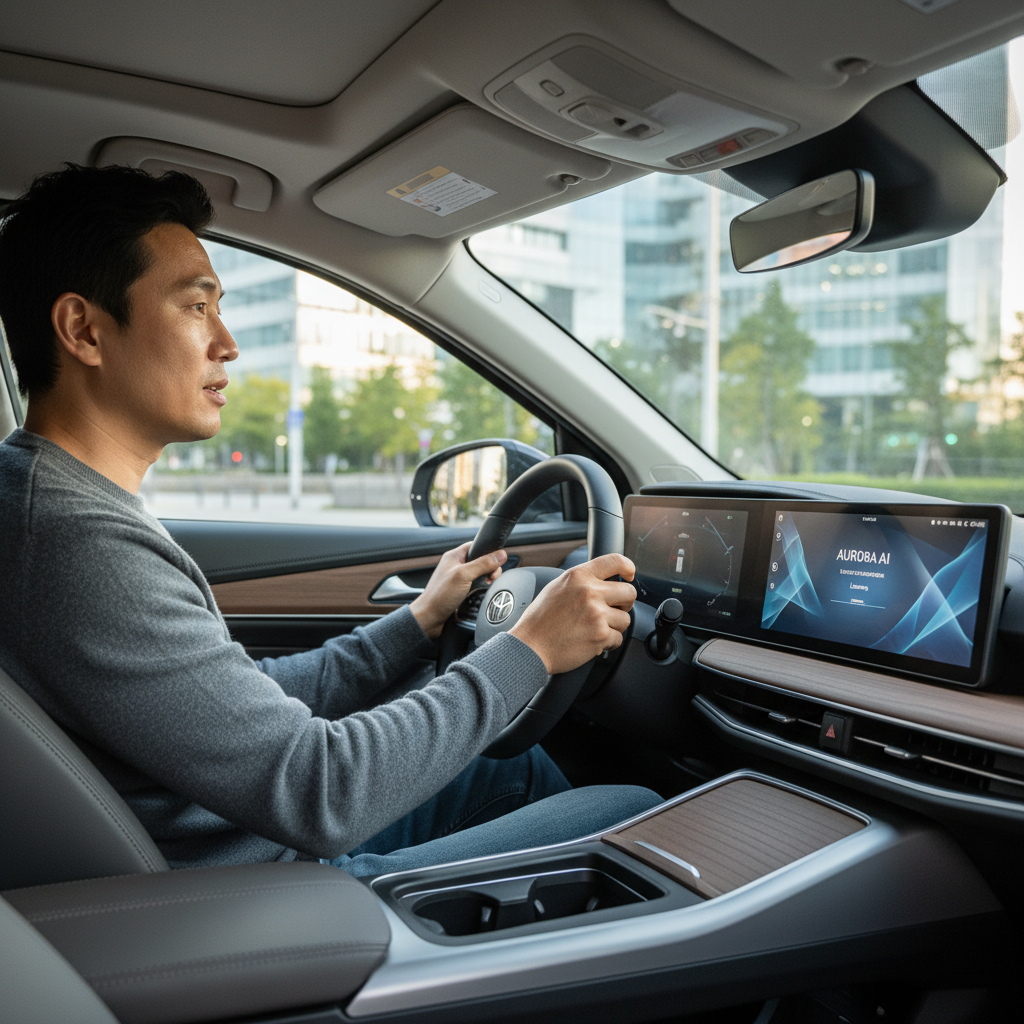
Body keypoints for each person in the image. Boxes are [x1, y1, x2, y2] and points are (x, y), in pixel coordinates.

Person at [0, 164, 659, 877]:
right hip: (260, 900)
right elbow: (320, 790)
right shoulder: (79, 545)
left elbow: (241, 703)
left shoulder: (44, 499)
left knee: (514, 767)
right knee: (631, 813)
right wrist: (529, 649)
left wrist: (415, 624)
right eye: (196, 306)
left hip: (238, 850)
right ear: (84, 330)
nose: (227, 342)